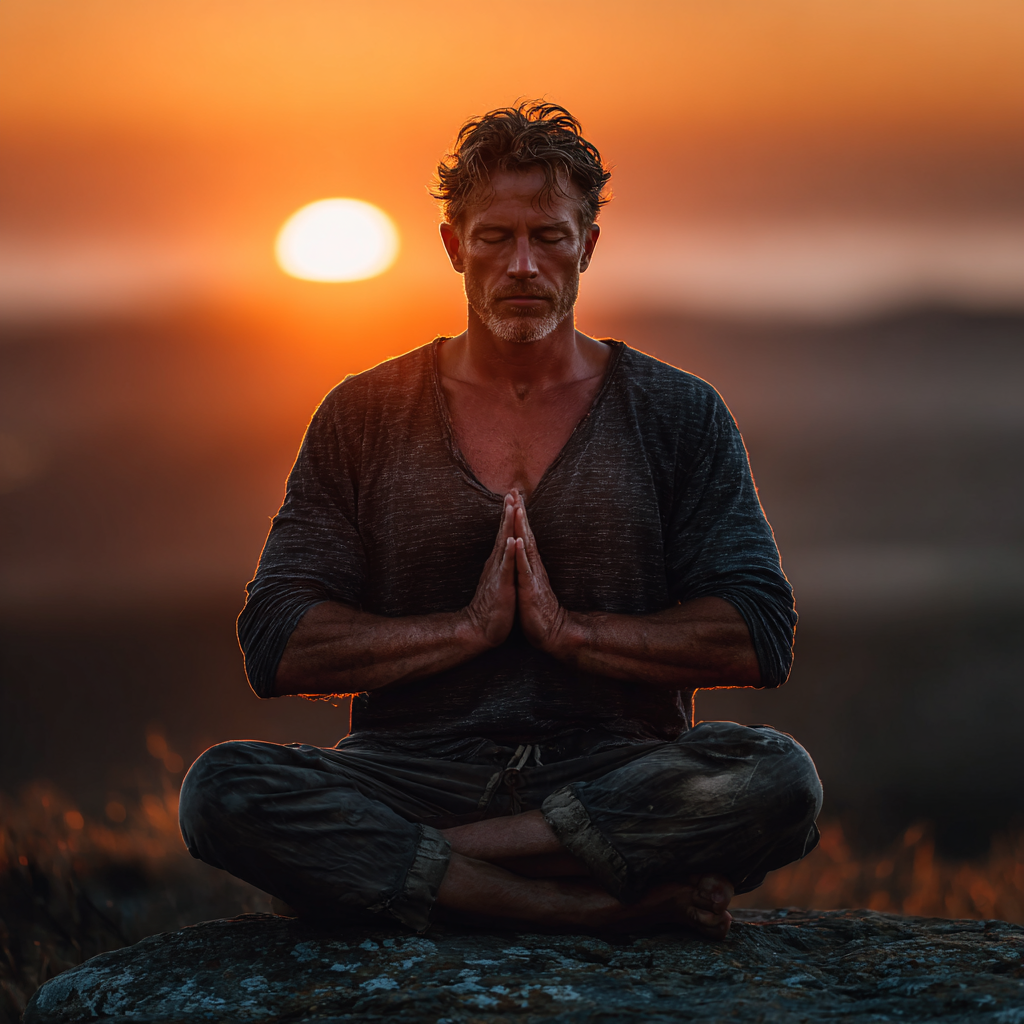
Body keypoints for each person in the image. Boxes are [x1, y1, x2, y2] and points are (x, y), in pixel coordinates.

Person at [179, 102, 821, 940]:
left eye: (550, 237)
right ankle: (585, 906)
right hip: (409, 774)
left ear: (588, 245)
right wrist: (467, 630)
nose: (522, 264)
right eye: (494, 237)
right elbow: (278, 641)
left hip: (615, 772)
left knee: (778, 778)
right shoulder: (363, 413)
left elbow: (758, 631)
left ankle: (423, 870)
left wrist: (571, 635)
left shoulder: (677, 413)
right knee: (222, 791)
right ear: (455, 246)